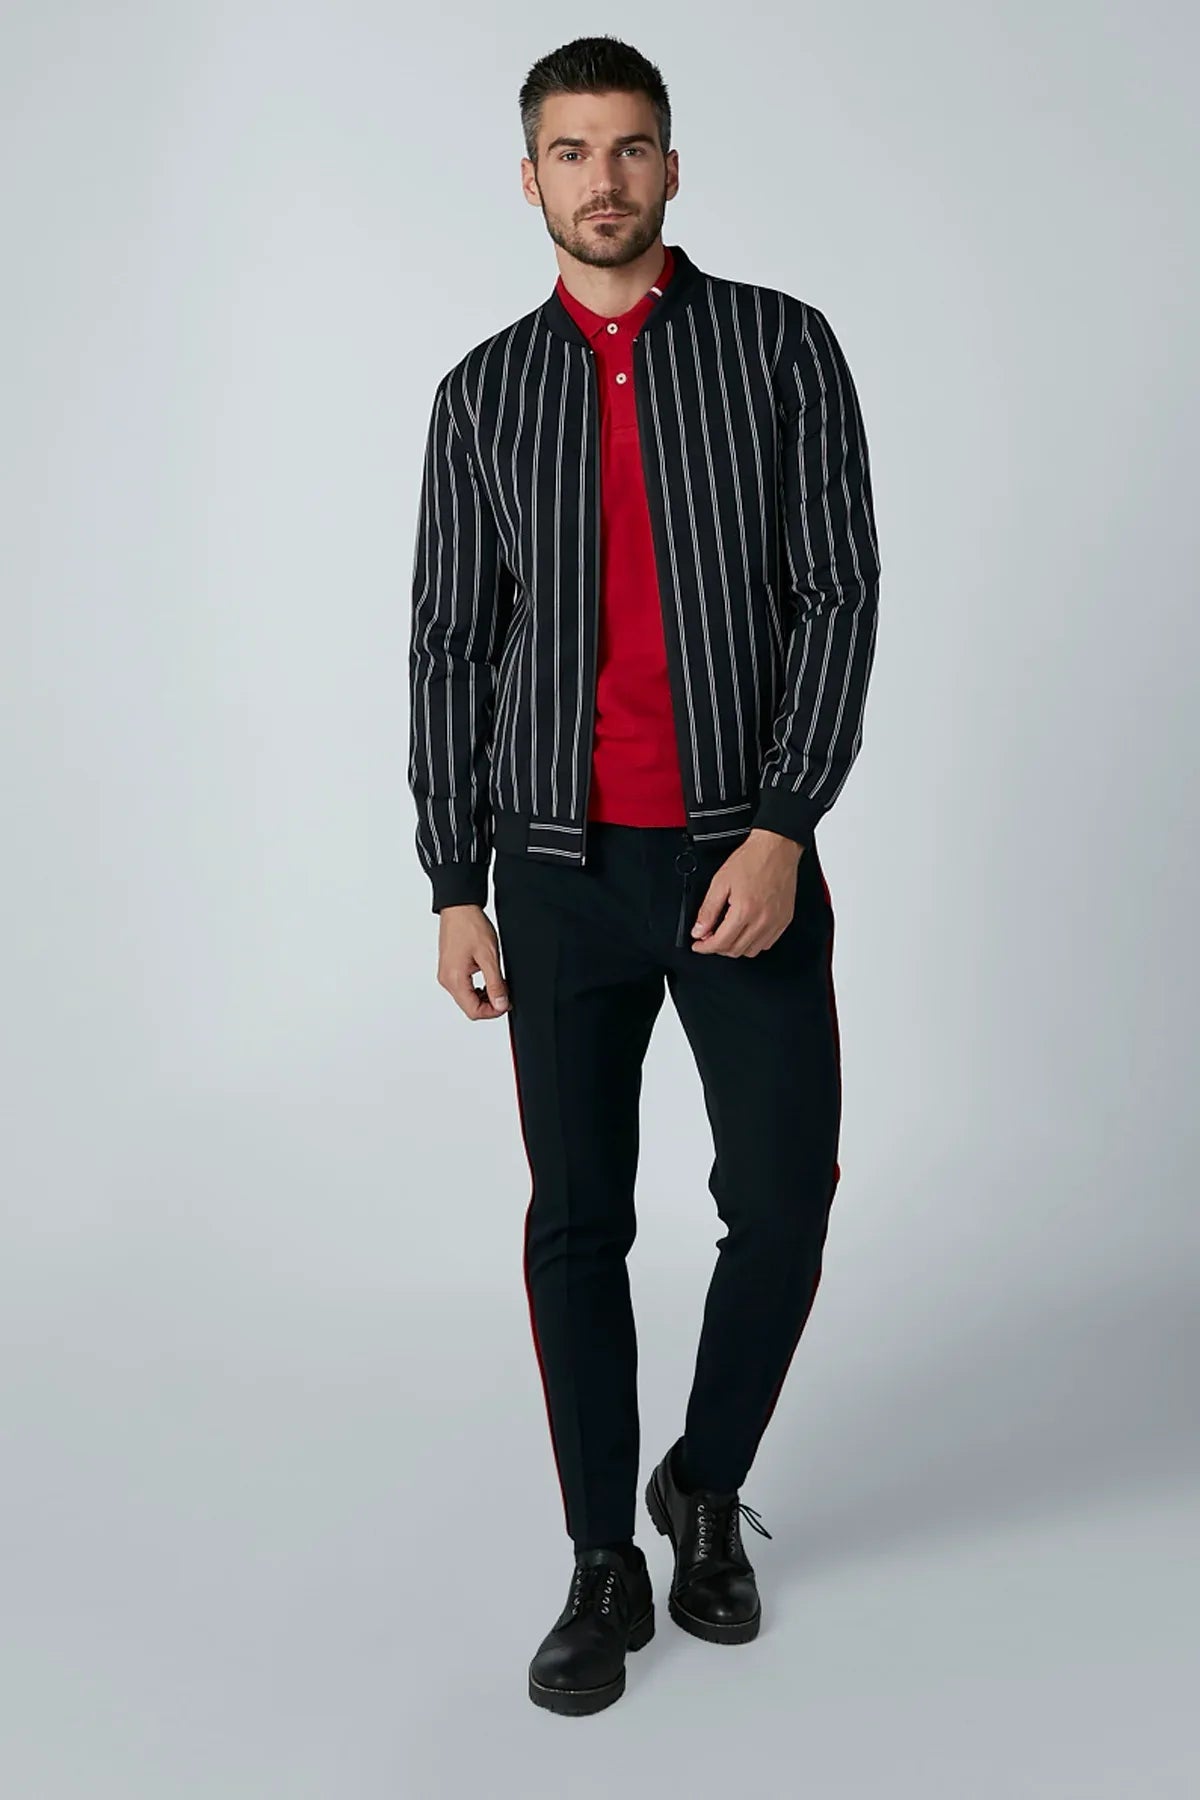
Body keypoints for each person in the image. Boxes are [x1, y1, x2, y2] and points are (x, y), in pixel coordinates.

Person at [408, 34, 881, 1716]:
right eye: (570, 151)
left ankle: (705, 1481)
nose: (601, 179)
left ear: (671, 167)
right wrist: (453, 880)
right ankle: (603, 1557)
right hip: (555, 872)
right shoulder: (483, 394)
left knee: (784, 1201)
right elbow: (453, 646)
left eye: (628, 148)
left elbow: (837, 589)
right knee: (577, 1221)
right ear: (529, 178)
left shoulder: (779, 346)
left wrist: (785, 821)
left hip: (740, 855)